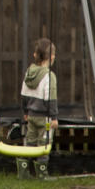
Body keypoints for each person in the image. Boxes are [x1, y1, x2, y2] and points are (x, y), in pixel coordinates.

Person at [18, 38, 58, 178]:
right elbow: (50, 98)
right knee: (44, 143)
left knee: (30, 141)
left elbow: (23, 94)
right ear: (51, 57)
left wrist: (26, 112)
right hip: (45, 117)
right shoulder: (49, 76)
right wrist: (53, 117)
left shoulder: (29, 72)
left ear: (35, 55)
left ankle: (23, 171)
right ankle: (42, 174)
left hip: (31, 115)